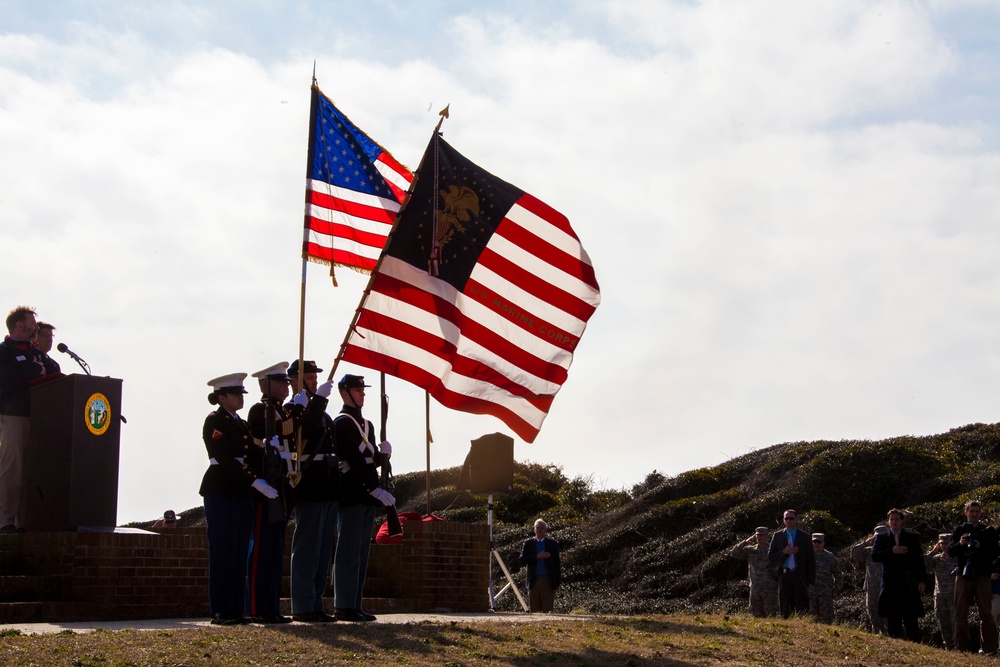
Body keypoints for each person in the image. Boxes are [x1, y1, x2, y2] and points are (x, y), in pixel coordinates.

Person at [199, 372, 279, 626]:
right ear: (221, 396)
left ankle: (236, 608)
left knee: (239, 551)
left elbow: (250, 454)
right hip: (223, 488)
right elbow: (224, 458)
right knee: (224, 552)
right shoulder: (215, 421)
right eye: (235, 394)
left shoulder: (240, 423)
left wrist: (267, 448)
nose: (240, 398)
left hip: (242, 492)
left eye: (242, 394)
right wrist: (254, 481)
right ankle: (222, 609)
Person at [331, 374, 393, 622]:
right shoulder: (342, 423)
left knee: (360, 552)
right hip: (352, 490)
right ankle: (344, 604)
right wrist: (372, 487)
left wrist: (384, 455)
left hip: (367, 493)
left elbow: (371, 460)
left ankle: (354, 602)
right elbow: (353, 461)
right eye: (358, 390)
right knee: (348, 550)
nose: (362, 393)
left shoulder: (367, 424)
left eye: (362, 390)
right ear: (345, 393)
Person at [285, 359, 340, 623]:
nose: (314, 380)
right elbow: (301, 432)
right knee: (307, 546)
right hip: (309, 482)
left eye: (314, 376)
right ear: (294, 380)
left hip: (327, 483)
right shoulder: (292, 409)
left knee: (322, 550)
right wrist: (317, 401)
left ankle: (316, 602)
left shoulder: (322, 411)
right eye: (308, 377)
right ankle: (303, 604)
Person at [244, 362, 296, 625]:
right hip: (266, 486)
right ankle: (256, 606)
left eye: (287, 382)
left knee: (275, 551)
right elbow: (256, 446)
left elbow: (291, 440)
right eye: (281, 382)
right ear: (266, 384)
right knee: (262, 550)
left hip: (282, 485)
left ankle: (271, 606)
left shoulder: (281, 411)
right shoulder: (259, 410)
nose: (286, 386)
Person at [0, 306, 47, 533]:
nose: (36, 327)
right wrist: (29, 370)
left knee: (31, 471)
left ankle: (24, 522)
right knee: (11, 470)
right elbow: (9, 378)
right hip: (12, 417)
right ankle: (5, 522)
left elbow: (52, 371)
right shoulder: (3, 351)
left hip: (39, 417)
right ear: (19, 325)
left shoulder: (36, 353)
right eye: (32, 322)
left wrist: (32, 367)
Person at [948, 499, 999, 654]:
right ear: (966, 513)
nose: (974, 514)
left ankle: (989, 649)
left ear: (981, 513)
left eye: (977, 512)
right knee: (960, 612)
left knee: (986, 613)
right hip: (963, 574)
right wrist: (961, 544)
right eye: (972, 511)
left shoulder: (988, 531)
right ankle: (962, 648)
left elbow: (994, 554)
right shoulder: (959, 530)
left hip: (983, 575)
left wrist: (980, 547)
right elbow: (950, 551)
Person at [871, 509, 926, 641]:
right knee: (892, 617)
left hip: (908, 582)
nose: (894, 522)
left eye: (896, 519)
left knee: (910, 617)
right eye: (891, 520)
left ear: (902, 521)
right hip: (890, 583)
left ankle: (915, 643)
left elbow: (919, 560)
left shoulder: (911, 538)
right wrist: (891, 551)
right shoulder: (881, 538)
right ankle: (896, 643)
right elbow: (875, 556)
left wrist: (921, 580)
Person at [768, 509, 815, 618]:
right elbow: (770, 556)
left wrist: (811, 581)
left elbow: (811, 561)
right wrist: (784, 552)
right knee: (785, 608)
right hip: (784, 575)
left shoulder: (805, 537)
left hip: (800, 576)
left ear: (797, 520)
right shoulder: (778, 536)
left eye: (791, 518)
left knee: (802, 608)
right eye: (786, 518)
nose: (788, 521)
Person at [729, 526, 778, 618]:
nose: (759, 537)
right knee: (755, 615)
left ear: (767, 536)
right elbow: (734, 553)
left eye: (762, 535)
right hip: (755, 588)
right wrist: (746, 541)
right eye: (757, 535)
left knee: (771, 615)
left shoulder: (772, 550)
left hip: (769, 588)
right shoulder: (751, 550)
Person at [851, 525, 889, 634]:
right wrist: (865, 543)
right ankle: (876, 634)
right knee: (872, 613)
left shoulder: (892, 550)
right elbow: (854, 555)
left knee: (887, 615)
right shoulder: (868, 551)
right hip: (872, 588)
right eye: (877, 537)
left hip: (886, 588)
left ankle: (889, 636)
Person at [519, 518, 561, 612]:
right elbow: (522, 560)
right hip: (534, 580)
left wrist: (557, 582)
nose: (539, 529)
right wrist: (538, 556)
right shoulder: (528, 543)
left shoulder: (552, 544)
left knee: (547, 608)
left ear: (545, 530)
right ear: (534, 529)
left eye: (542, 528)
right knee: (535, 609)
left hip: (547, 580)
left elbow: (557, 564)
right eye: (537, 528)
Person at [925, 533, 957, 649]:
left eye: (947, 543)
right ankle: (947, 646)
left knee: (955, 622)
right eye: (942, 543)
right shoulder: (937, 558)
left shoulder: (957, 558)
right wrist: (933, 551)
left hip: (954, 595)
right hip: (940, 595)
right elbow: (924, 565)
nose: (944, 546)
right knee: (943, 622)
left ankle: (956, 646)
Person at [809, 533, 841, 624]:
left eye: (819, 542)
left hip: (825, 593)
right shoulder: (807, 556)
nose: (817, 544)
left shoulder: (830, 557)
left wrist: (835, 590)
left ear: (823, 543)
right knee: (810, 620)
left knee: (826, 621)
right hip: (810, 593)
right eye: (815, 542)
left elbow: (838, 575)